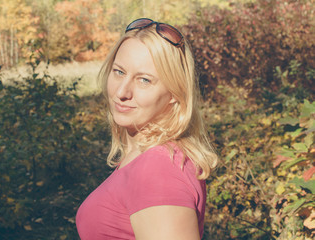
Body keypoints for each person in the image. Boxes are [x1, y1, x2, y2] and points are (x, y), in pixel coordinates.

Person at [75, 18, 218, 239]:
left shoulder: (158, 168)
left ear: (174, 94)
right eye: (119, 72)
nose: (122, 91)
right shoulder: (144, 157)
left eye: (144, 80)